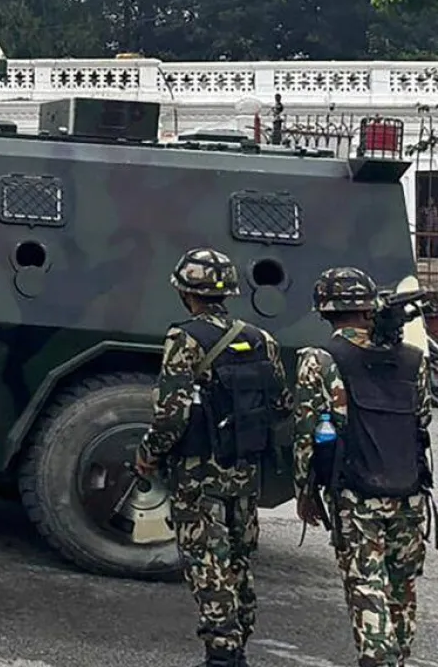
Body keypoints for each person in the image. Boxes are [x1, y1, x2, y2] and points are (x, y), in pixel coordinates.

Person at [133, 247, 291, 667]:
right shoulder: (261, 338)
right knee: (239, 557)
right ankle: (239, 639)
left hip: (198, 470)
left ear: (186, 293)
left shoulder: (184, 338)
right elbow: (281, 402)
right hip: (244, 467)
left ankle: (222, 653)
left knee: (207, 559)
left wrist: (149, 452)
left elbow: (171, 412)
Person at [294, 267, 433, 667]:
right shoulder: (413, 359)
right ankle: (398, 658)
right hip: (409, 491)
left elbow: (307, 434)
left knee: (366, 583)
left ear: (324, 309)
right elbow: (421, 418)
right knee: (402, 585)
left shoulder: (319, 360)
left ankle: (379, 661)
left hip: (356, 495)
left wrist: (307, 494)